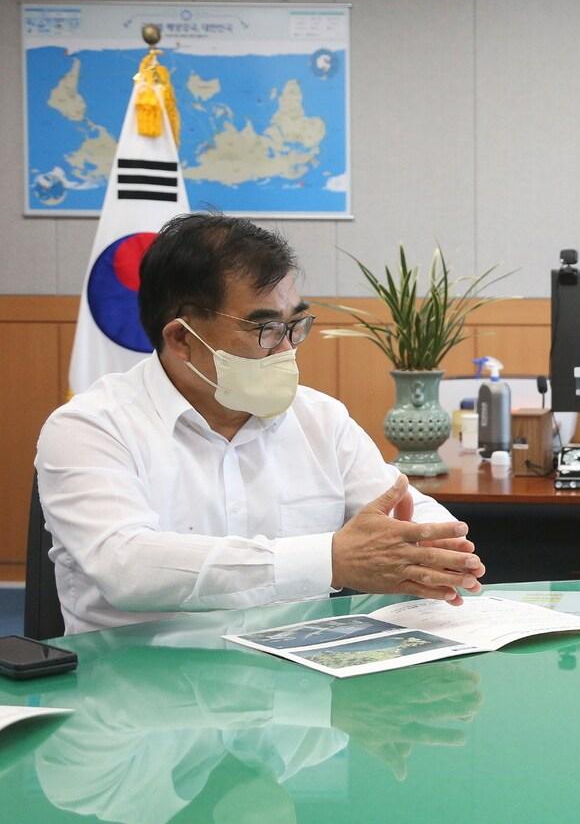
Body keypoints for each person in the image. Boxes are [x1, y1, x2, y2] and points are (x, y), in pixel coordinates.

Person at [36, 214, 485, 634]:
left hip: (301, 686)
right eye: (265, 330)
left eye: (296, 326)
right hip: (137, 691)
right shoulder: (89, 428)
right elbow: (127, 567)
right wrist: (328, 560)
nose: (287, 349)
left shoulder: (320, 419)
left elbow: (402, 511)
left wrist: (434, 546)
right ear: (181, 339)